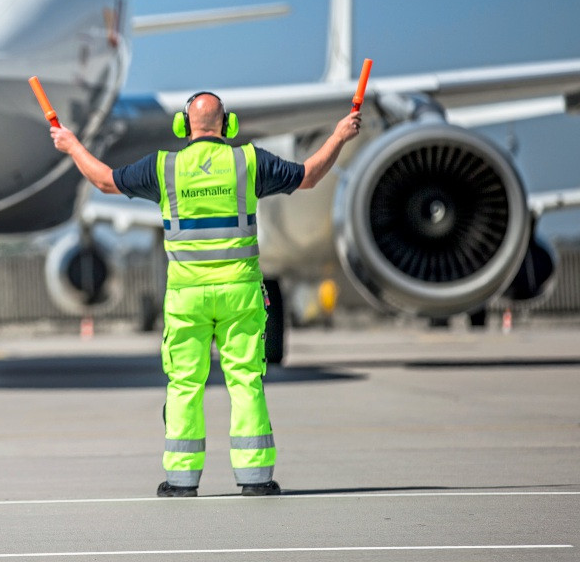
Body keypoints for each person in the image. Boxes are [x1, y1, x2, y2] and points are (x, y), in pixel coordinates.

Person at [50, 91, 361, 497]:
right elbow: (309, 176)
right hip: (240, 295)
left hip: (187, 298)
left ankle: (181, 481)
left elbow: (104, 180)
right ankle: (255, 478)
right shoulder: (248, 161)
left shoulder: (164, 167)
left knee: (184, 386)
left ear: (183, 126)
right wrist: (338, 135)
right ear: (228, 125)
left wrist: (72, 145)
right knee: (246, 382)